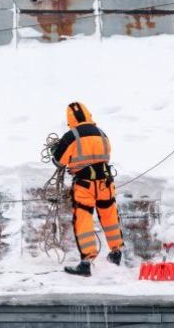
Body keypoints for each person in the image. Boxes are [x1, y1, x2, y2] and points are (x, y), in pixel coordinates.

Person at [52, 102, 124, 277]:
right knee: (110, 216)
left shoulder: (71, 136)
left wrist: (56, 149)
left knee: (83, 220)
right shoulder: (102, 134)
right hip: (106, 183)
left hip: (85, 185)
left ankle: (85, 263)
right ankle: (116, 253)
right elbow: (106, 156)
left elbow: (59, 161)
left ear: (70, 119)